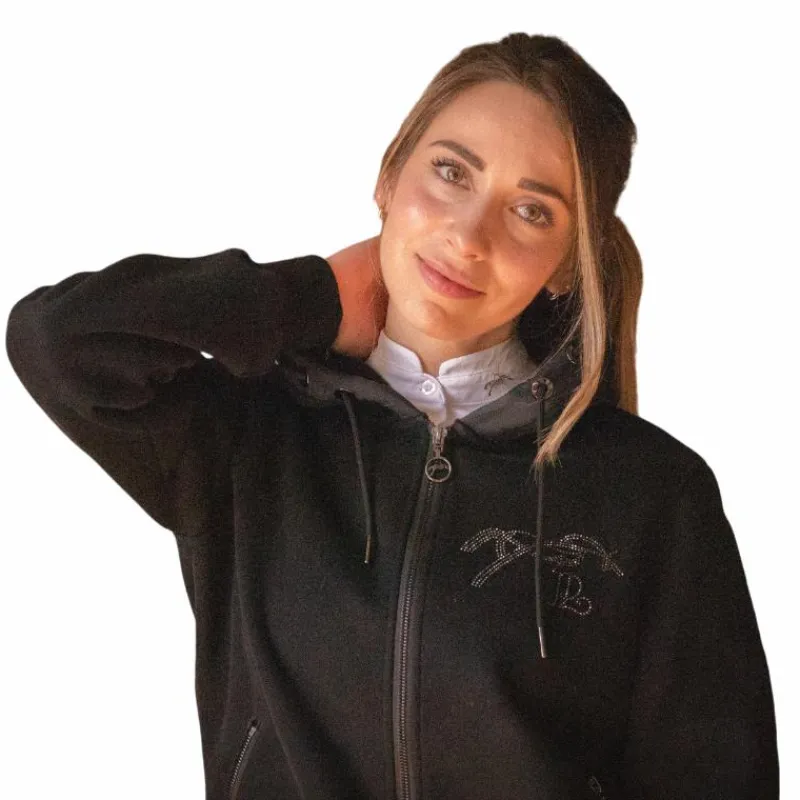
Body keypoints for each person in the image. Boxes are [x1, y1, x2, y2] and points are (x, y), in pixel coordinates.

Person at [5, 32, 778, 799]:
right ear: (388, 176)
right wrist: (306, 297)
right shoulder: (253, 439)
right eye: (450, 172)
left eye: (531, 211)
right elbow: (57, 341)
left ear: (567, 264)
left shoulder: (653, 492)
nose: (467, 236)